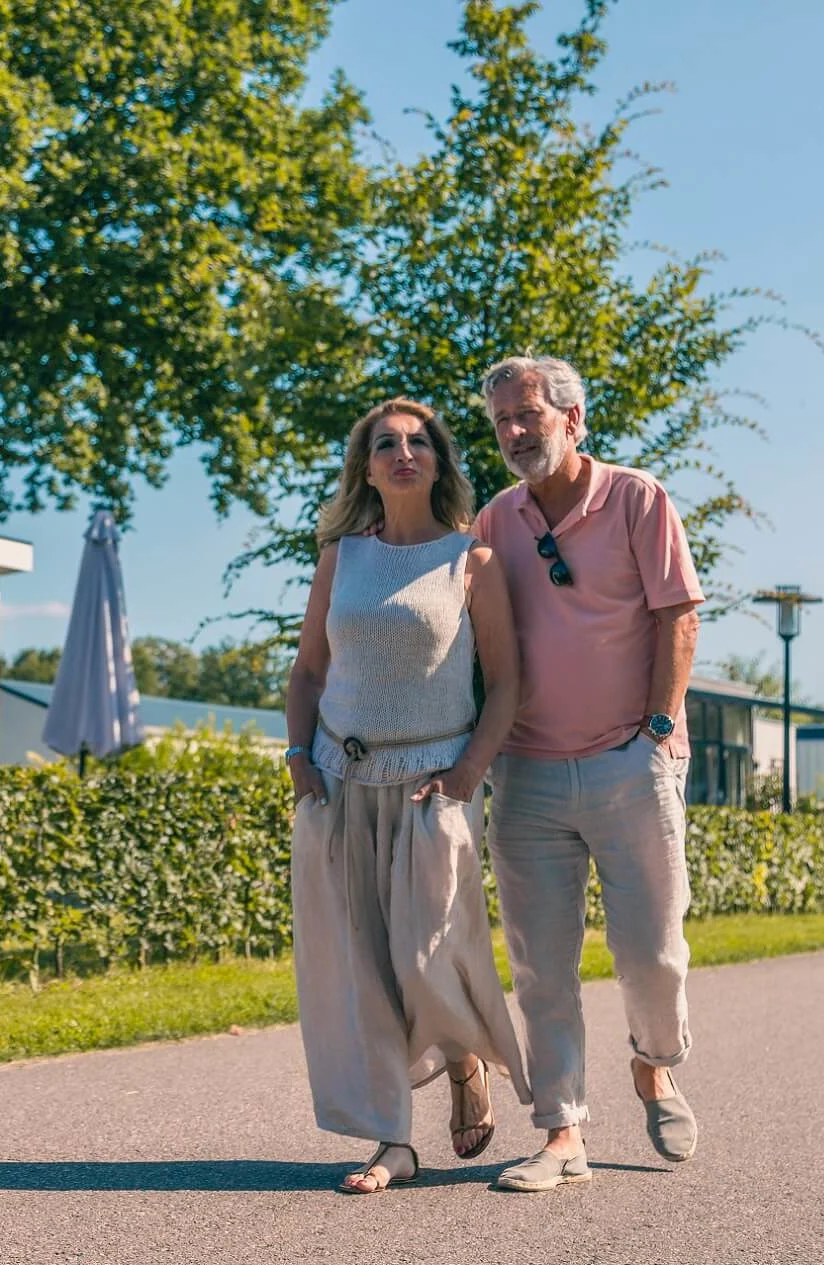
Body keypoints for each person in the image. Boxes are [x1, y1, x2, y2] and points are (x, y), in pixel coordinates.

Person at [283, 397, 532, 1194]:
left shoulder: (472, 560)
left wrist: (466, 776)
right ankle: (392, 1140)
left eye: (417, 442)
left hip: (433, 786)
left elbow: (505, 685)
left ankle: (464, 1059)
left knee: (425, 956)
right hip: (341, 781)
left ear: (438, 461)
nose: (402, 453)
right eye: (384, 443)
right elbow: (310, 672)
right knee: (364, 970)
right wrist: (297, 754)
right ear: (364, 465)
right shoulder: (340, 558)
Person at [472, 355, 704, 1193]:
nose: (511, 432)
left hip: (627, 760)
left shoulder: (637, 498)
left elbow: (677, 612)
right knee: (540, 961)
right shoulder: (494, 521)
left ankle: (653, 1063)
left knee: (651, 952)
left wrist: (655, 727)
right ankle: (561, 1130)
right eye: (499, 420)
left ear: (573, 420)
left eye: (525, 415)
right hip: (526, 771)